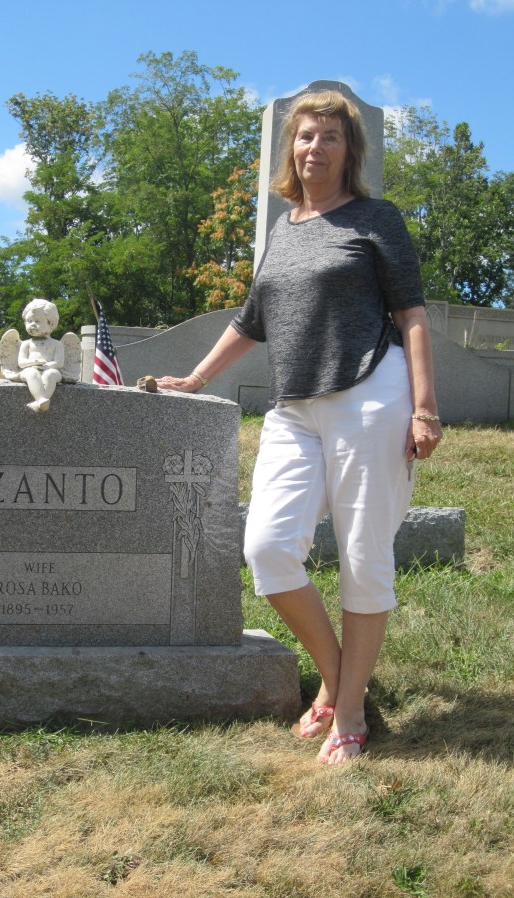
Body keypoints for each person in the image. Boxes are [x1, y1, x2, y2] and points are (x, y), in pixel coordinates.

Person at [157, 90, 442, 766]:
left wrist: (426, 407)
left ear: (351, 151)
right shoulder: (284, 229)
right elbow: (252, 318)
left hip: (372, 394)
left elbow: (412, 314)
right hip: (294, 407)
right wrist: (197, 378)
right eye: (306, 137)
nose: (316, 148)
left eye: (330, 138)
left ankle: (346, 709)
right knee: (267, 547)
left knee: (364, 556)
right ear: (293, 148)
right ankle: (343, 675)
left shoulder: (376, 218)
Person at [17, 299, 65, 412]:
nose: (32, 324)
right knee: (31, 373)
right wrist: (33, 363)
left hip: (50, 369)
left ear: (50, 323)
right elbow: (21, 362)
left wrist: (48, 366)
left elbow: (59, 362)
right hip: (31, 369)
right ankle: (42, 399)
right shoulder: (26, 343)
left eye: (37, 321)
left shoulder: (57, 344)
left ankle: (40, 401)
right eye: (29, 321)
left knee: (51, 375)